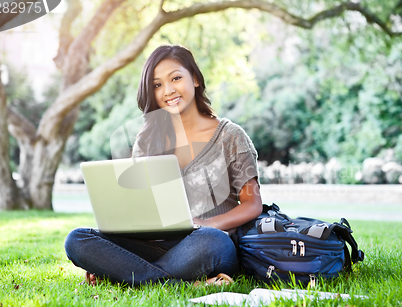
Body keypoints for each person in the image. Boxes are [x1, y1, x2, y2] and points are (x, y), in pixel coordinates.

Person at [64, 44, 263, 286]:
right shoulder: (147, 140)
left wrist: (207, 223)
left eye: (176, 78)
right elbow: (136, 203)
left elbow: (252, 205)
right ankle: (181, 283)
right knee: (77, 239)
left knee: (213, 241)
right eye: (157, 85)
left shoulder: (230, 136)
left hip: (205, 244)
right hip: (155, 245)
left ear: (196, 79)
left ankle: (126, 274)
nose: (168, 90)